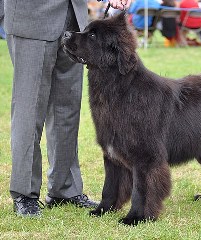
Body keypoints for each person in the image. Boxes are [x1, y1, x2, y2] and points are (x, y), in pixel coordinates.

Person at [4, 0, 132, 217]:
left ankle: (65, 189)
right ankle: (24, 193)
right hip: (32, 20)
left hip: (73, 19)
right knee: (29, 109)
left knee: (67, 109)